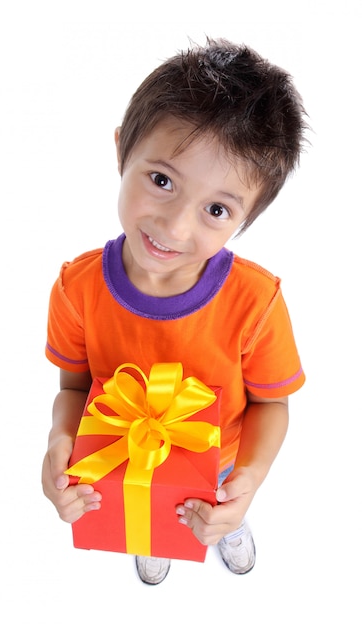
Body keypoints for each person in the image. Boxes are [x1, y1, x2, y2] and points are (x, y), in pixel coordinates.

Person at [42, 37, 308, 585]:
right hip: (122, 458)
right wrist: (59, 445)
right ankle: (154, 532)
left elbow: (271, 404)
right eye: (161, 180)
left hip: (224, 459)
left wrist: (248, 479)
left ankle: (231, 521)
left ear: (246, 218)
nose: (175, 227)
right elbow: (74, 388)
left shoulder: (256, 302)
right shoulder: (77, 288)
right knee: (155, 518)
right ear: (123, 153)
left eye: (216, 209)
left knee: (219, 508)